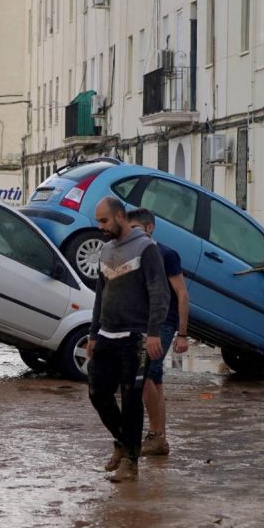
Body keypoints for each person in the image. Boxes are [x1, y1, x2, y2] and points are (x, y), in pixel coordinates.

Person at [85, 197, 170, 483]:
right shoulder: (106, 250)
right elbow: (100, 294)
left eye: (104, 221)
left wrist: (154, 332)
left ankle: (131, 463)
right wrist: (93, 333)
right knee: (97, 392)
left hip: (137, 337)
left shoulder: (146, 249)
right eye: (98, 221)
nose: (100, 227)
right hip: (107, 335)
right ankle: (124, 443)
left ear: (120, 216)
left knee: (132, 398)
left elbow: (160, 293)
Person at [126, 208, 190, 458]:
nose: (131, 235)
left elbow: (182, 294)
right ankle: (159, 438)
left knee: (144, 376)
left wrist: (182, 334)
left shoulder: (166, 254)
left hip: (163, 322)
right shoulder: (134, 254)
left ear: (149, 228)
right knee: (155, 379)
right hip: (143, 323)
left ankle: (154, 435)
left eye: (136, 229)